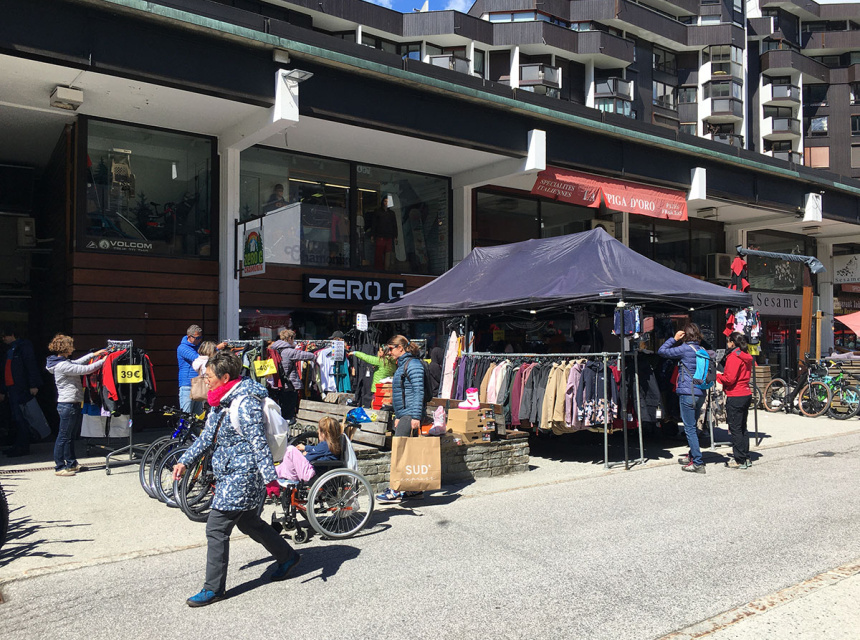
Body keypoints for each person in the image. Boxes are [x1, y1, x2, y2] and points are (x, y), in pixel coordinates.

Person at [172, 351, 300, 608]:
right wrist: (185, 460)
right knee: (249, 523)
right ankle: (287, 557)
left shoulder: (245, 403)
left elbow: (258, 443)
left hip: (243, 476)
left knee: (216, 528)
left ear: (225, 377)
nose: (205, 380)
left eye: (208, 376)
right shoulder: (221, 401)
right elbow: (207, 438)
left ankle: (213, 589)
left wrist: (270, 479)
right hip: (230, 472)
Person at [45, 335, 109, 476]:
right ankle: (60, 467)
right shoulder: (62, 365)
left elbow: (77, 363)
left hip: (69, 404)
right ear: (66, 348)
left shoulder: (61, 362)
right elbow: (84, 369)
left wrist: (94, 354)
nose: (73, 348)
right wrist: (103, 361)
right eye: (71, 346)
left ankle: (72, 463)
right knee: (63, 436)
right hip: (68, 405)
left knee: (68, 436)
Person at [376, 335, 425, 503]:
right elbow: (401, 393)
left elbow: (419, 392)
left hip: (411, 413)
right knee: (407, 451)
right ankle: (413, 490)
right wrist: (397, 415)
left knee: (400, 451)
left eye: (391, 348)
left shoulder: (413, 365)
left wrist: (416, 416)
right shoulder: (403, 364)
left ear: (401, 348)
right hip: (405, 413)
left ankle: (395, 490)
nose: (389, 352)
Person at [658, 324, 707, 474]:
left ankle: (698, 462)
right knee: (692, 425)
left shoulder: (685, 349)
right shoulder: (702, 349)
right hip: (700, 393)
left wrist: (673, 339)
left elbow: (662, 351)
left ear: (685, 335)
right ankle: (692, 455)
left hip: (687, 393)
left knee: (689, 428)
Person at [0, 328, 42, 457]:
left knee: (21, 417)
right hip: (12, 388)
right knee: (16, 418)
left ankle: (22, 447)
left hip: (20, 388)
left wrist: (33, 385)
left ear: (12, 334)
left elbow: (30, 365)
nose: (3, 339)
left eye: (4, 336)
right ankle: (18, 445)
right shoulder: (11, 349)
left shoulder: (22, 347)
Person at [718, 332, 753, 470]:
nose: (727, 344)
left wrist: (718, 376)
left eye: (728, 341)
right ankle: (746, 457)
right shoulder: (746, 356)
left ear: (733, 342)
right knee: (742, 427)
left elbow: (729, 379)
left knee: (736, 429)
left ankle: (740, 460)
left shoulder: (734, 356)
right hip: (745, 392)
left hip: (736, 394)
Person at [270, 329, 316, 421]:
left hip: (277, 384)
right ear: (290, 338)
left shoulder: (272, 349)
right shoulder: (288, 351)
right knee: (289, 411)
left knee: (281, 409)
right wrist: (315, 356)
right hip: (289, 384)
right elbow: (305, 355)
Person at [177, 325, 203, 415]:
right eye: (197, 338)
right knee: (186, 416)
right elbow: (197, 358)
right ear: (189, 337)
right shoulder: (182, 348)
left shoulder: (199, 347)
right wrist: (216, 349)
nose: (199, 340)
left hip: (199, 384)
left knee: (198, 418)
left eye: (200, 337)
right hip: (187, 386)